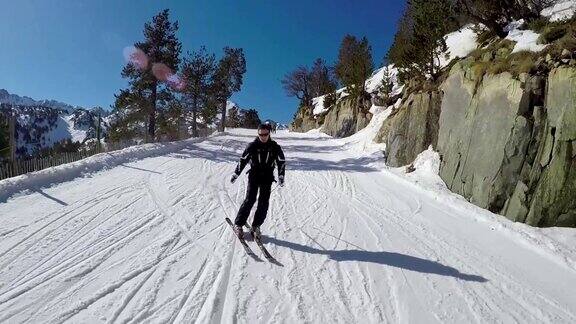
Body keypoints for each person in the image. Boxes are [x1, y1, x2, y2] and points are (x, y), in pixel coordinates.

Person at [230, 123, 285, 239]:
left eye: (265, 134)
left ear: (269, 133)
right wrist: (236, 173)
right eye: (261, 134)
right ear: (258, 133)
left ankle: (256, 226)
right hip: (254, 175)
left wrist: (281, 176)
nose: (263, 137)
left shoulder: (275, 147)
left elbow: (281, 161)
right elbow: (243, 160)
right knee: (250, 200)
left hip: (267, 177)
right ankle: (238, 224)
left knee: (263, 203)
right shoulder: (252, 146)